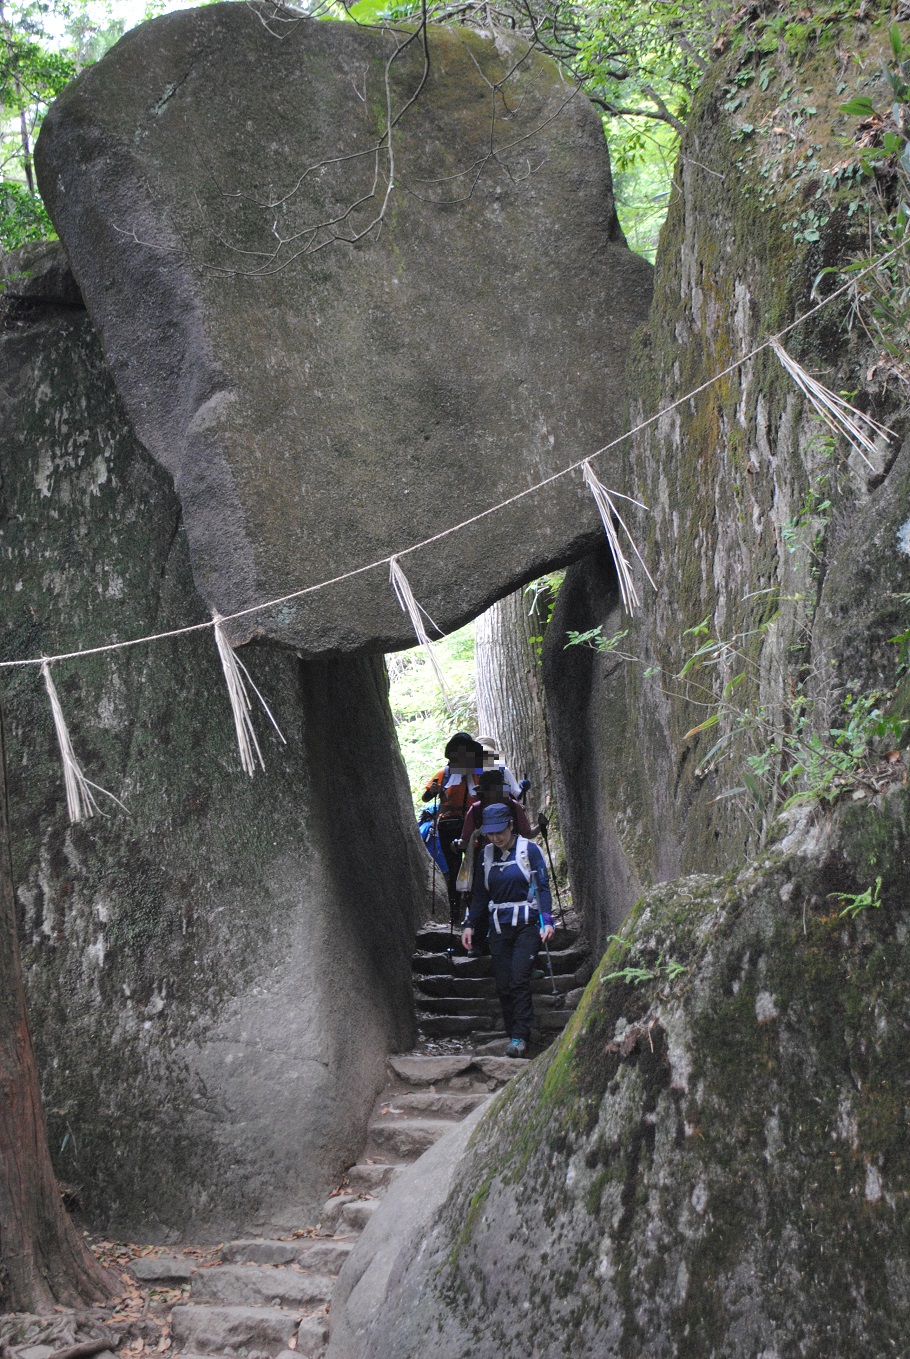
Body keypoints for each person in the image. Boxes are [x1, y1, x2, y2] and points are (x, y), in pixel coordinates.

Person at [461, 802, 554, 1058]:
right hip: (499, 927)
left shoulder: (529, 850)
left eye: (500, 831)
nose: (496, 837)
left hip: (526, 924)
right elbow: (480, 895)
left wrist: (546, 920)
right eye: (491, 833)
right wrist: (470, 925)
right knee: (503, 984)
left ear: (511, 825)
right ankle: (513, 1030)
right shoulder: (486, 855)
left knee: (518, 979)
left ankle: (520, 1036)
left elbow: (543, 887)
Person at [422, 732, 484, 914]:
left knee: (475, 865)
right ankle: (456, 910)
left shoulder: (478, 773)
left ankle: (474, 908)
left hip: (474, 825)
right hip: (449, 826)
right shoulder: (445, 774)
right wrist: (433, 791)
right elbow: (426, 797)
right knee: (455, 867)